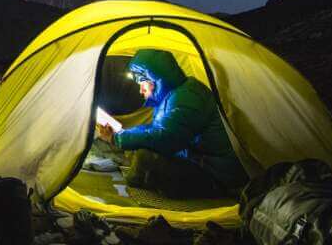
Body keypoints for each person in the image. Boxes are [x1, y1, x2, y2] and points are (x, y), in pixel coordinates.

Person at [95, 48, 248, 198]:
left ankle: (218, 191)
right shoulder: (173, 95)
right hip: (200, 161)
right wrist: (124, 133)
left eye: (142, 83)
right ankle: (146, 179)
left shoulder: (189, 97)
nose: (141, 91)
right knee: (142, 152)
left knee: (146, 157)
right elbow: (157, 130)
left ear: (154, 79)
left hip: (217, 174)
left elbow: (166, 139)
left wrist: (118, 138)